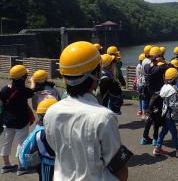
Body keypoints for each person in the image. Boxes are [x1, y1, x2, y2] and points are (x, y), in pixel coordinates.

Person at [44, 41, 131, 181]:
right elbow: (119, 166)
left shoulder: (51, 112)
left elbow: (54, 148)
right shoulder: (104, 117)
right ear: (96, 74)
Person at [0, 65, 35, 175]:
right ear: (24, 78)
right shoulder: (24, 91)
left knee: (6, 142)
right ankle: (21, 167)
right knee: (22, 143)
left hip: (8, 121)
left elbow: (1, 104)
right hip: (21, 122)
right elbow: (32, 90)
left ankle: (6, 165)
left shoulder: (5, 89)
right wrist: (33, 81)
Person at [153, 68, 178, 157]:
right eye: (176, 77)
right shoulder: (172, 90)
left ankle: (157, 148)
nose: (177, 79)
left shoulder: (164, 87)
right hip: (170, 114)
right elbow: (174, 105)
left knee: (164, 131)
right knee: (174, 132)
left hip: (164, 113)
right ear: (173, 78)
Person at [19, 98, 57, 181]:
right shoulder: (43, 133)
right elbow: (49, 152)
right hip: (46, 163)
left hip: (43, 161)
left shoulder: (41, 125)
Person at [141, 46, 170, 145]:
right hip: (157, 96)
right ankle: (155, 138)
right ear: (159, 56)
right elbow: (170, 67)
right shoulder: (159, 68)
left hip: (150, 95)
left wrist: (157, 60)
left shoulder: (146, 66)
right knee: (156, 117)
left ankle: (144, 138)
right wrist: (162, 61)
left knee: (150, 116)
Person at [136, 53, 147, 117]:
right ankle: (143, 111)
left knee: (140, 97)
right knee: (143, 98)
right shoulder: (143, 66)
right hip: (143, 83)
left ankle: (139, 110)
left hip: (138, 83)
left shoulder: (137, 66)